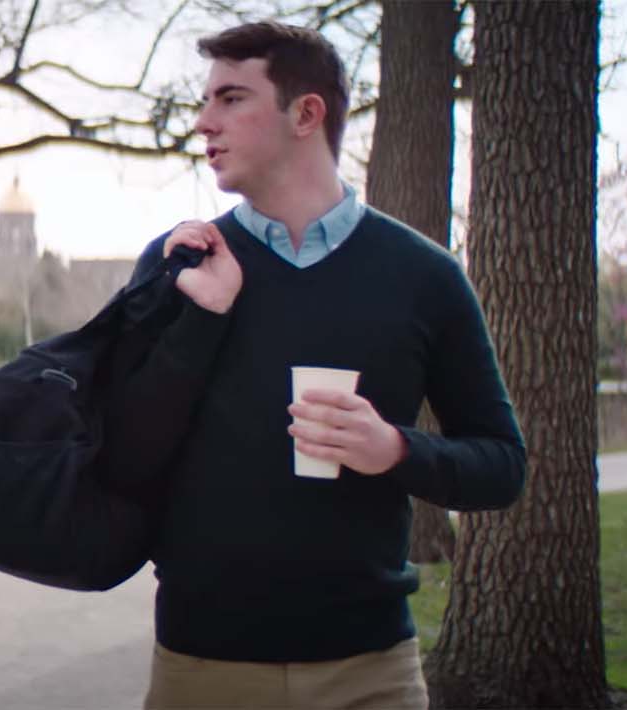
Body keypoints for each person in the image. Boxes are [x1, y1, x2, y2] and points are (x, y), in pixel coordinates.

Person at [99, 21, 527, 709]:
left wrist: (394, 449)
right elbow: (122, 459)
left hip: (372, 674)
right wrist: (202, 323)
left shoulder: (427, 278)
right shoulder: (180, 260)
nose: (204, 122)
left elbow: (503, 467)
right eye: (205, 101)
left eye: (231, 98)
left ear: (307, 113)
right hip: (201, 669)